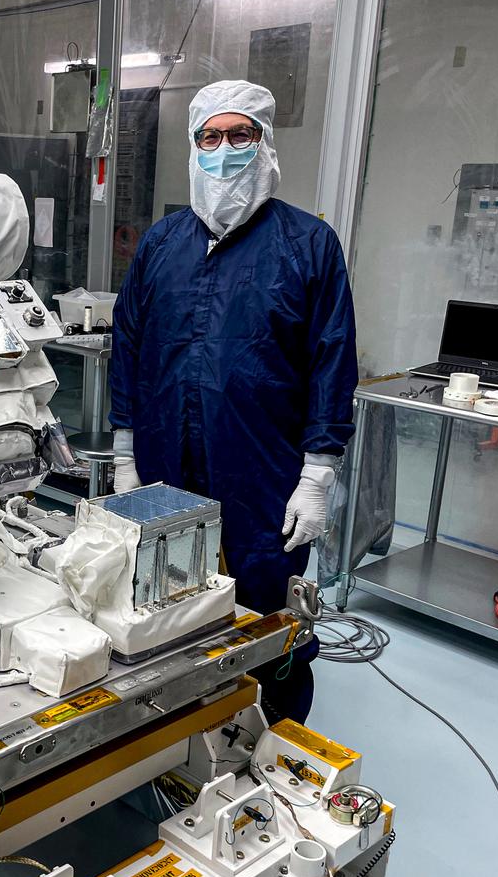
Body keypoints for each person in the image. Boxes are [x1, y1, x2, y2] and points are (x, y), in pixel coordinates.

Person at [109, 79, 357, 724]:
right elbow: (128, 348)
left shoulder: (308, 245)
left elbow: (332, 361)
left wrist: (318, 474)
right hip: (165, 462)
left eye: (240, 135)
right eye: (210, 138)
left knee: (267, 606)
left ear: (265, 142)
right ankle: (178, 728)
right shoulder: (162, 244)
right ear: (194, 148)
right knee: (165, 599)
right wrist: (124, 452)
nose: (224, 151)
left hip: (263, 473)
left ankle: (273, 732)